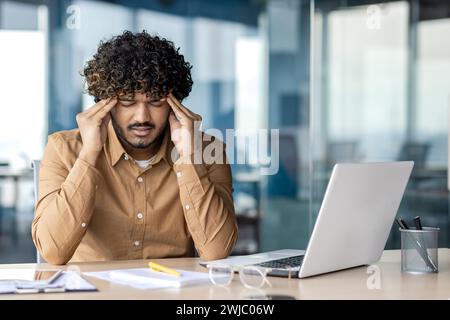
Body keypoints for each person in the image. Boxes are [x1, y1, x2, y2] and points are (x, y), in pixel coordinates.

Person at [32, 30, 237, 265]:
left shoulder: (208, 151)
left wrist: (189, 157)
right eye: (127, 101)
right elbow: (52, 251)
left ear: (175, 103)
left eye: (156, 101)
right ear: (106, 102)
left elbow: (217, 250)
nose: (142, 116)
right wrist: (89, 155)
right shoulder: (63, 149)